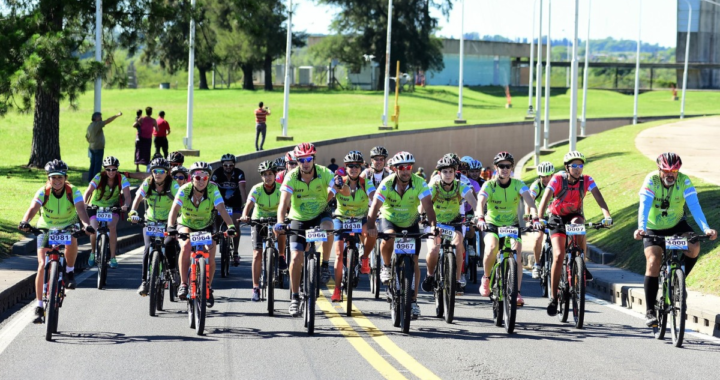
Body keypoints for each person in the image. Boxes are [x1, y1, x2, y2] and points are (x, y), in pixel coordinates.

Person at [633, 152, 717, 327]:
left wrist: (706, 228)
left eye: (674, 171)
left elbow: (694, 205)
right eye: (666, 171)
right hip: (653, 227)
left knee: (694, 246)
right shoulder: (651, 180)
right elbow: (644, 205)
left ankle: (679, 280)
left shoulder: (684, 180)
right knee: (653, 261)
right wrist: (641, 227)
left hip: (677, 225)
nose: (670, 174)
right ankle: (650, 311)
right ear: (659, 169)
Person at [537, 151, 613, 316]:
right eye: (574, 166)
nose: (578, 169)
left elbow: (598, 197)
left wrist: (607, 215)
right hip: (556, 218)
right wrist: (539, 217)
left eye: (580, 165)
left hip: (574, 216)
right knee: (558, 255)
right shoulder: (557, 178)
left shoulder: (587, 180)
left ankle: (581, 263)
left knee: (579, 225)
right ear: (567, 167)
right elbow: (545, 198)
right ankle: (554, 297)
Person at [19, 160, 95, 324]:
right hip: (46, 227)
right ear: (48, 178)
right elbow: (33, 208)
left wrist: (87, 225)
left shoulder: (73, 191)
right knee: (41, 265)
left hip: (68, 224)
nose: (57, 181)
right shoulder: (43, 192)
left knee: (72, 238)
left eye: (60, 177)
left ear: (65, 177)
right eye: (53, 178)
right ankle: (39, 305)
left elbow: (81, 209)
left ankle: (69, 271)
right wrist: (25, 221)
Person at [367, 151, 437, 319]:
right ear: (395, 169)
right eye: (402, 168)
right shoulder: (386, 183)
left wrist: (434, 226)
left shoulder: (419, 182)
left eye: (408, 167)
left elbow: (428, 207)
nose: (406, 171)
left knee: (413, 261)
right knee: (389, 236)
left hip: (410, 222)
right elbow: (375, 207)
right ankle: (386, 266)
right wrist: (370, 227)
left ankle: (413, 301)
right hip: (389, 219)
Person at [273, 143, 335, 317]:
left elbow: (341, 190)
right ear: (297, 161)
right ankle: (294, 298)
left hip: (320, 213)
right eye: (301, 160)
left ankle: (324, 265)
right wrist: (280, 222)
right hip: (298, 218)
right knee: (296, 258)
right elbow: (283, 203)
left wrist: (338, 186)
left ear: (313, 159)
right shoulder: (291, 176)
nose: (305, 163)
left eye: (308, 159)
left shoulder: (324, 172)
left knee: (329, 227)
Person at [476, 152, 542, 307]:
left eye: (508, 166)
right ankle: (486, 278)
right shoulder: (489, 185)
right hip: (492, 224)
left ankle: (516, 292)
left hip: (511, 225)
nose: (504, 169)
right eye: (501, 166)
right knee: (492, 247)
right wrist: (480, 218)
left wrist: (535, 217)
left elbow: (530, 202)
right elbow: (480, 203)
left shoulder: (518, 184)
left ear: (512, 168)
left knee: (517, 250)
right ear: (496, 168)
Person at [168, 162, 236, 307]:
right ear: (192, 178)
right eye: (197, 177)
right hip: (186, 224)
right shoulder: (184, 190)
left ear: (208, 179)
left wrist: (230, 226)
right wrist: (170, 226)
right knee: (186, 245)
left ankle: (208, 287)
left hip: (207, 225)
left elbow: (222, 209)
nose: (201, 181)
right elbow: (174, 210)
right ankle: (184, 284)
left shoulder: (213, 189)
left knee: (210, 252)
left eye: (204, 178)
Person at [422, 156, 477, 297]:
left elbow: (473, 200)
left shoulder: (460, 185)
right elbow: (424, 203)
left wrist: (479, 215)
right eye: (445, 172)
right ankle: (430, 275)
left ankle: (458, 279)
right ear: (440, 173)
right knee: (434, 249)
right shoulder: (433, 186)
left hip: (455, 223)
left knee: (459, 245)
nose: (448, 175)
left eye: (450, 172)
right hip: (436, 222)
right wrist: (421, 215)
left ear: (455, 172)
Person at [129, 157, 181, 296]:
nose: (158, 174)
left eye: (161, 171)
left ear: (167, 173)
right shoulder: (148, 183)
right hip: (151, 221)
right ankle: (145, 282)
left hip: (168, 222)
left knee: (170, 244)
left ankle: (172, 271)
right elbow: (137, 198)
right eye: (155, 171)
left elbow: (181, 200)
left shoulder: (173, 185)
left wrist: (179, 220)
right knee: (147, 248)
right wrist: (133, 212)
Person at [329, 151, 377, 302]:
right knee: (338, 255)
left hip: (360, 217)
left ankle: (364, 258)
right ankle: (337, 289)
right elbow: (327, 196)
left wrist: (380, 209)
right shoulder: (340, 181)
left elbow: (374, 197)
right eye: (350, 166)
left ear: (361, 167)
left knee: (371, 233)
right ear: (346, 167)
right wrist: (333, 189)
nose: (354, 169)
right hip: (341, 218)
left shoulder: (365, 183)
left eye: (357, 166)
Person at [240, 160, 283, 302]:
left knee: (282, 228)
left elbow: (287, 205)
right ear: (261, 176)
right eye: (265, 174)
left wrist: (287, 216)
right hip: (259, 220)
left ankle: (281, 256)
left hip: (276, 218)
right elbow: (249, 204)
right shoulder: (257, 189)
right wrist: (245, 215)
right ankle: (256, 288)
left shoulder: (281, 188)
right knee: (257, 254)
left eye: (270, 174)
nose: (268, 177)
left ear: (275, 175)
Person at [84, 156, 132, 268]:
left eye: (114, 169)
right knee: (94, 229)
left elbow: (127, 196)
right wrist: (85, 203)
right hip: (96, 206)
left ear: (117, 169)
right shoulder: (98, 177)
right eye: (108, 169)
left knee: (112, 226)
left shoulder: (122, 178)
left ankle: (113, 257)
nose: (111, 172)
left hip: (112, 207)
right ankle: (92, 252)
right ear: (104, 169)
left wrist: (126, 205)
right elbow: (88, 191)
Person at [211, 153, 247, 265]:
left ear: (234, 165)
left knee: (235, 224)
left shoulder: (239, 173)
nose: (228, 168)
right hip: (220, 201)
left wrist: (245, 204)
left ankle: (235, 252)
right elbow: (211, 188)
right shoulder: (217, 173)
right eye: (225, 165)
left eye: (231, 165)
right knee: (216, 216)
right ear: (222, 165)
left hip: (235, 202)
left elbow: (242, 188)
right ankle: (217, 232)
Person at [527, 162, 555, 279]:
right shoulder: (536, 185)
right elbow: (529, 200)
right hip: (539, 216)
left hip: (555, 216)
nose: (545, 179)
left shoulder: (557, 184)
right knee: (538, 238)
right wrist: (528, 216)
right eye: (542, 176)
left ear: (552, 175)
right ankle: (537, 264)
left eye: (548, 176)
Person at [86, 111, 122, 180]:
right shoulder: (97, 124)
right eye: (100, 117)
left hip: (92, 147)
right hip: (98, 148)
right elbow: (108, 121)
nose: (101, 118)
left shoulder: (90, 126)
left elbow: (87, 138)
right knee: (97, 166)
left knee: (92, 165)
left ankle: (90, 180)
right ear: (96, 118)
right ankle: (96, 180)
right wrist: (117, 115)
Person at [134, 107, 156, 172]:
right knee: (147, 152)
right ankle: (147, 168)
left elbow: (134, 125)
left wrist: (139, 124)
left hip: (141, 138)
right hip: (148, 138)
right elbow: (157, 129)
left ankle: (137, 167)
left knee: (138, 152)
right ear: (151, 112)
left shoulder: (142, 118)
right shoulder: (153, 120)